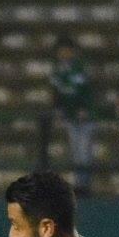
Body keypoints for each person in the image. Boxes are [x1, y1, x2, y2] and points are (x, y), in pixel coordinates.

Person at [49, 38, 94, 195]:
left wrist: (84, 108)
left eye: (66, 50)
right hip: (69, 115)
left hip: (84, 116)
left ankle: (85, 184)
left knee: (84, 149)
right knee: (75, 150)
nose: (63, 53)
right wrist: (58, 111)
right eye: (61, 50)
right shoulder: (57, 70)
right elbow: (57, 93)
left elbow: (86, 90)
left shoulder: (79, 67)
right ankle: (79, 184)